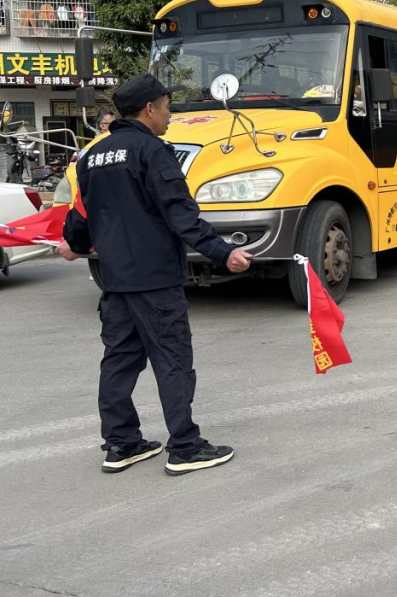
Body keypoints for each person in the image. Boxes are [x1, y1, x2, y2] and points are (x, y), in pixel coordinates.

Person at [58, 74, 253, 476]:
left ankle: (121, 443)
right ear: (149, 109)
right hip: (155, 282)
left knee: (118, 362)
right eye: (167, 106)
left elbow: (81, 212)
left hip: (114, 283)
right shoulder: (152, 151)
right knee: (173, 361)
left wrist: (75, 246)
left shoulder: (93, 155)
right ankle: (184, 446)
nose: (170, 114)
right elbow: (181, 215)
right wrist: (223, 253)